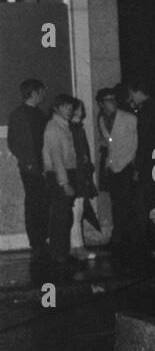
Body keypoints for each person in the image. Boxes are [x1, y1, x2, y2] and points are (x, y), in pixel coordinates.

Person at [6, 78, 50, 282]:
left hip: (39, 167)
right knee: (35, 204)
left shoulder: (37, 114)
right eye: (41, 91)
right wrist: (32, 165)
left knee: (40, 204)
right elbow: (17, 144)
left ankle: (41, 241)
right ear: (34, 93)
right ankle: (38, 243)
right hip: (32, 168)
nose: (44, 94)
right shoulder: (21, 115)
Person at [125, 81, 155, 261]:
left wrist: (138, 167)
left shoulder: (145, 111)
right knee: (154, 204)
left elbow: (145, 143)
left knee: (144, 206)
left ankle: (148, 244)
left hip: (150, 166)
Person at [97, 85, 140, 267]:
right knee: (117, 202)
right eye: (108, 100)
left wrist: (135, 166)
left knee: (126, 203)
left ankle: (122, 239)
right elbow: (109, 144)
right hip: (113, 167)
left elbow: (136, 143)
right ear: (101, 103)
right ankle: (121, 238)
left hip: (127, 166)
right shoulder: (101, 119)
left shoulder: (129, 118)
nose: (112, 103)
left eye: (114, 99)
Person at [42, 94, 82, 280]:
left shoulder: (63, 126)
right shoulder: (53, 128)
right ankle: (59, 255)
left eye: (70, 107)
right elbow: (57, 158)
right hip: (59, 175)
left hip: (67, 173)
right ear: (56, 108)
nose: (69, 109)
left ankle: (62, 253)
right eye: (65, 106)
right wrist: (64, 183)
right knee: (61, 216)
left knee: (64, 215)